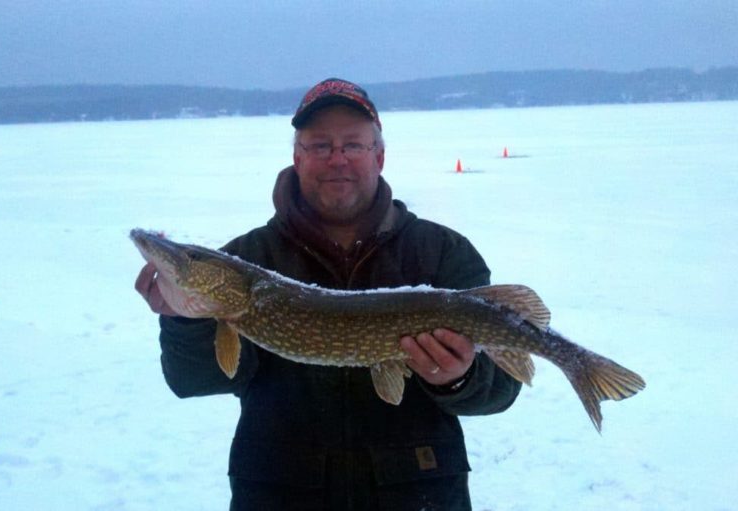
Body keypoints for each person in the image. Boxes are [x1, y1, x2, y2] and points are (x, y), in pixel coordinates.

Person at [135, 78, 522, 510]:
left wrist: (460, 377)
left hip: (418, 491)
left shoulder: (442, 252)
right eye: (320, 146)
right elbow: (195, 381)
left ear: (379, 156)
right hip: (281, 493)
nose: (337, 158)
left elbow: (502, 387)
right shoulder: (248, 257)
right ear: (297, 158)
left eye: (352, 145)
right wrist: (184, 318)